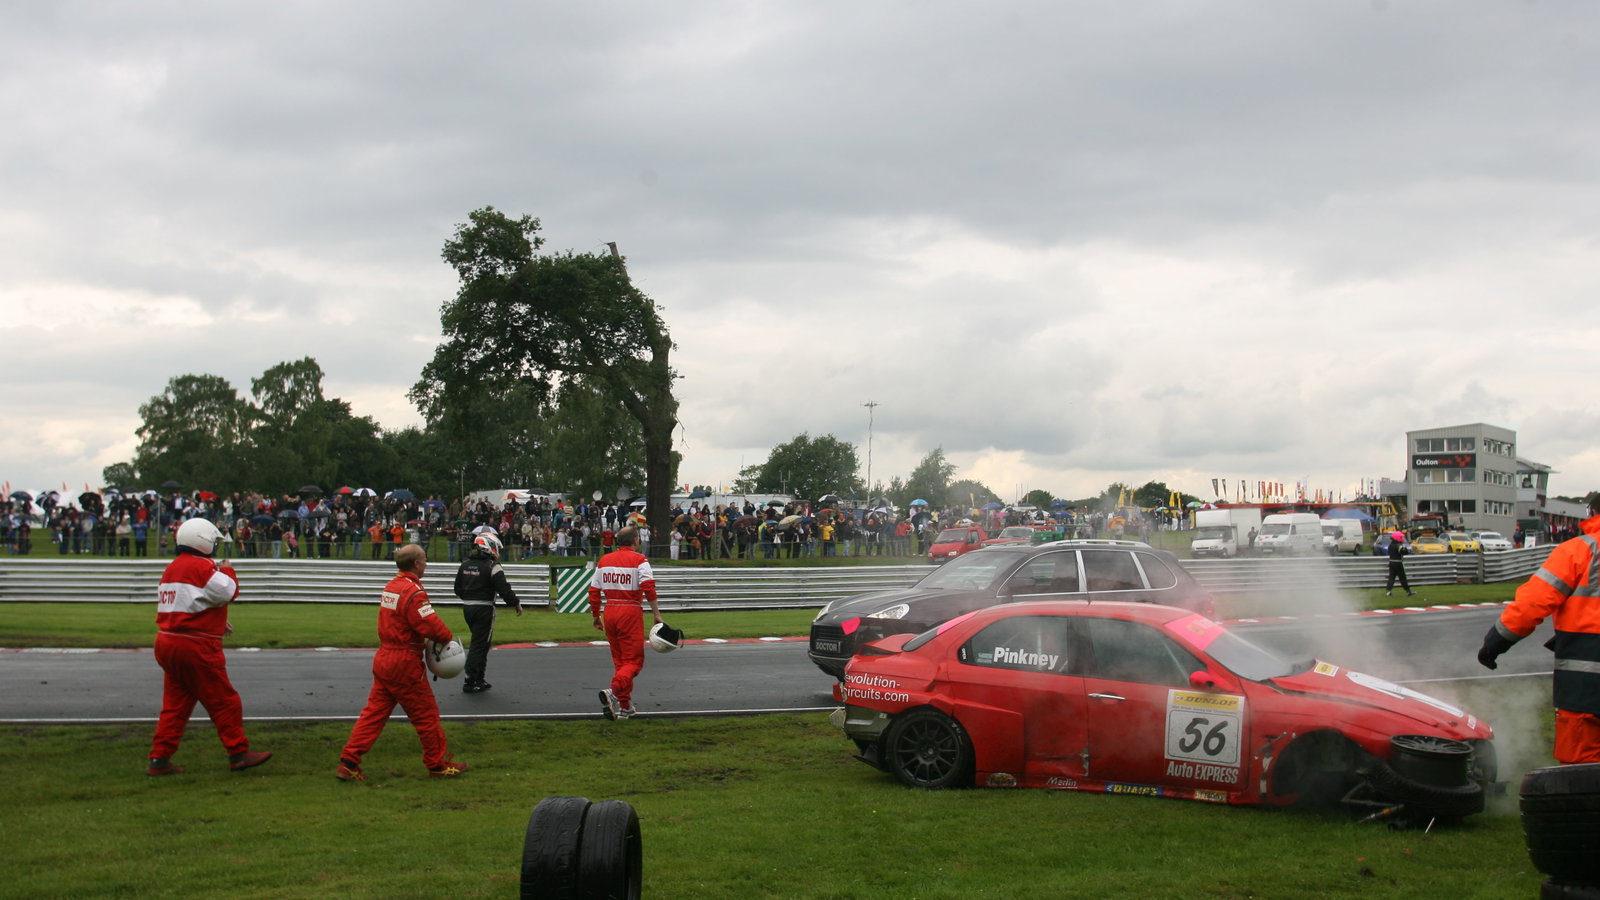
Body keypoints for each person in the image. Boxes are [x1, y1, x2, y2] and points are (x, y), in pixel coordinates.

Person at [1479, 492, 1600, 764]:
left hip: (1586, 680)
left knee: (1583, 765)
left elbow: (1531, 605)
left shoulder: (1579, 551)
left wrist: (1495, 642)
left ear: (1592, 513)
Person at [146, 518, 272, 776]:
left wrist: (216, 621)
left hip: (168, 641)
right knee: (224, 701)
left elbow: (188, 603)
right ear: (202, 540)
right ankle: (238, 753)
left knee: (175, 704)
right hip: (195, 645)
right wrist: (227, 570)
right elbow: (228, 591)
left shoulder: (172, 568)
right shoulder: (201, 566)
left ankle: (159, 758)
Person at [337, 544, 468, 781]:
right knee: (426, 715)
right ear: (416, 564)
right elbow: (430, 625)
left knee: (373, 714)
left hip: (384, 658)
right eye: (424, 559)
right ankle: (437, 765)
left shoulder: (392, 586)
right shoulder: (413, 591)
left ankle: (348, 762)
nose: (426, 563)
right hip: (404, 662)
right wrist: (446, 638)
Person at [589, 526, 662, 720]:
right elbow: (649, 588)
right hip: (630, 611)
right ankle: (613, 691)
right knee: (634, 662)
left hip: (610, 611)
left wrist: (596, 615)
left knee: (620, 662)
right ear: (636, 540)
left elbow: (594, 591)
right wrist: (656, 614)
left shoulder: (604, 561)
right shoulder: (640, 560)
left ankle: (625, 706)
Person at [451, 531, 523, 693]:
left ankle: (479, 678)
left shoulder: (465, 565)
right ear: (489, 546)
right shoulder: (493, 566)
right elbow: (504, 588)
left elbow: (457, 589)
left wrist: (469, 598)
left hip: (467, 608)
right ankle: (470, 680)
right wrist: (515, 603)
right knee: (479, 645)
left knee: (481, 643)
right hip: (484, 609)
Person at [1385, 530, 1415, 597]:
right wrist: (1405, 548)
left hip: (1391, 562)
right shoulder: (1398, 545)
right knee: (1402, 578)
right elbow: (1405, 552)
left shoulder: (1390, 545)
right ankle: (1408, 591)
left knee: (1391, 577)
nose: (1402, 538)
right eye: (1401, 537)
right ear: (1397, 538)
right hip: (1398, 563)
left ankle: (1388, 591)